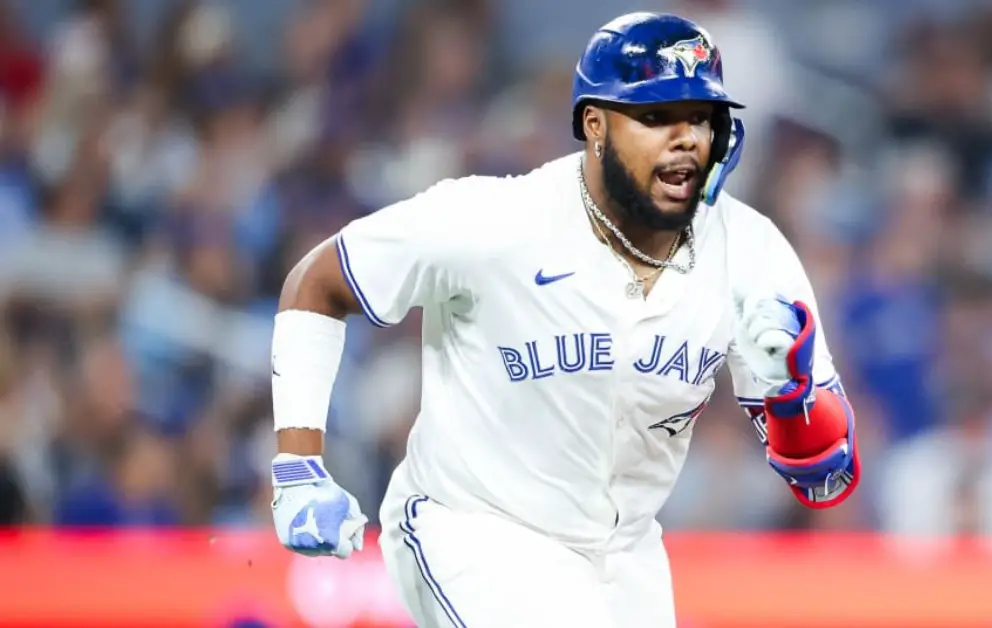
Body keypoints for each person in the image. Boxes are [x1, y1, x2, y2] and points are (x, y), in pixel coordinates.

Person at [267, 11, 860, 628]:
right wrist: (299, 466)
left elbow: (825, 476)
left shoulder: (751, 252)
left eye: (700, 116)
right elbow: (318, 280)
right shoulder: (498, 221)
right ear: (595, 125)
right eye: (657, 116)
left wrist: (793, 398)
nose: (686, 137)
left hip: (625, 554)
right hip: (475, 527)